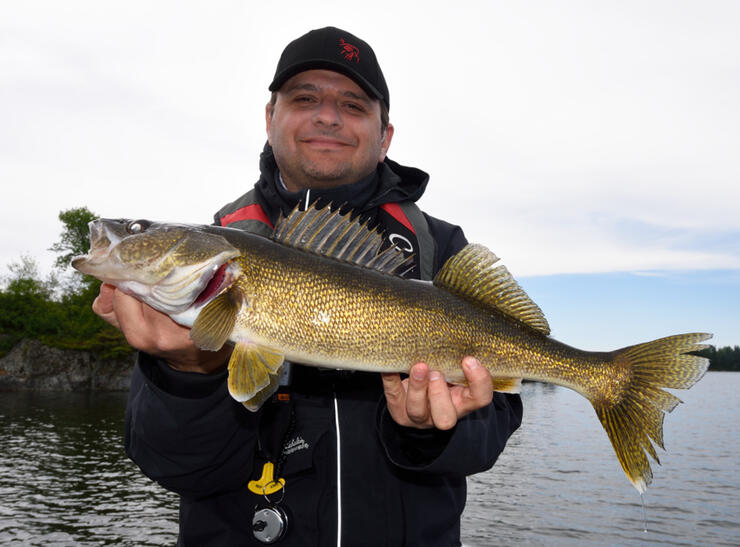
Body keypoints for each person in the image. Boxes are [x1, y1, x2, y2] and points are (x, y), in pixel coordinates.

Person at [94, 27, 522, 546]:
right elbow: (175, 467)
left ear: (385, 135)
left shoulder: (439, 249)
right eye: (304, 99)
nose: (328, 116)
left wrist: (430, 432)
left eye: (353, 104)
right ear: (269, 118)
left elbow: (491, 432)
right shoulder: (222, 246)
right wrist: (186, 373)